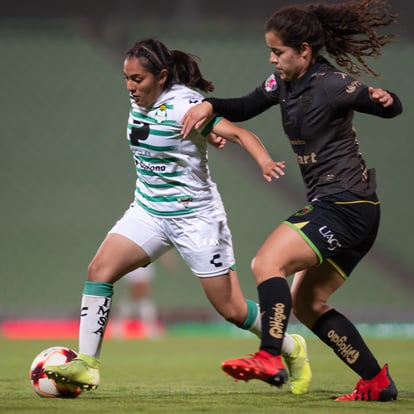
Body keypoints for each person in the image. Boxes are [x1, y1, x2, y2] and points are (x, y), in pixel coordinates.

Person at [44, 38, 311, 394]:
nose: (130, 86)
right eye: (126, 78)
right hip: (149, 211)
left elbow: (239, 132)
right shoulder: (139, 99)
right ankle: (88, 365)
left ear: (162, 76)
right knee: (99, 271)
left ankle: (291, 347)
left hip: (196, 218)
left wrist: (262, 160)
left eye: (137, 79)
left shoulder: (186, 104)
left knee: (231, 309)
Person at [182, 0, 402, 402]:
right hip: (353, 210)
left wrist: (383, 99)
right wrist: (211, 104)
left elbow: (388, 107)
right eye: (270, 50)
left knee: (267, 263)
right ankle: (376, 382)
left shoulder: (331, 83)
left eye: (278, 51)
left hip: (345, 204)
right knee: (308, 304)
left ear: (303, 50)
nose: (272, 58)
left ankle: (269, 355)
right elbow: (247, 106)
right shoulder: (282, 83)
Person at [112, 251, 178, 339]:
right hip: (135, 261)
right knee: (137, 295)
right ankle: (118, 328)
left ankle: (119, 328)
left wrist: (167, 259)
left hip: (146, 262)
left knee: (141, 298)